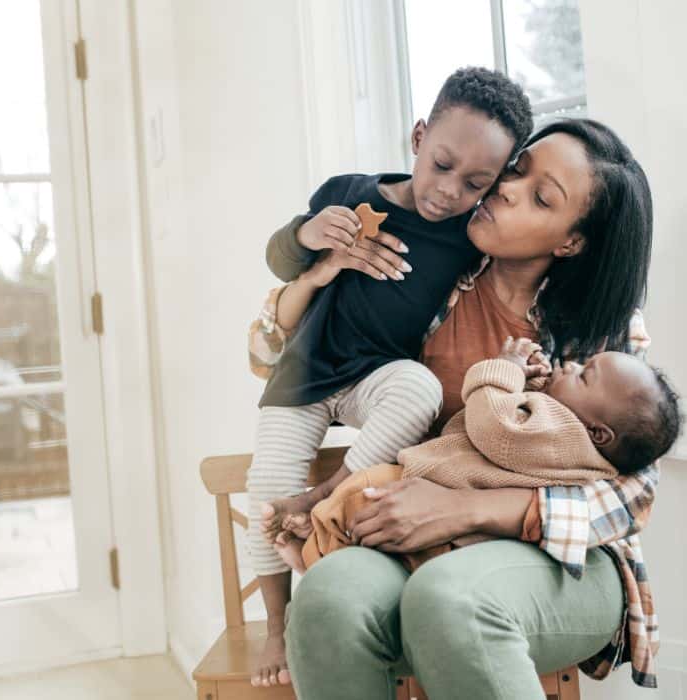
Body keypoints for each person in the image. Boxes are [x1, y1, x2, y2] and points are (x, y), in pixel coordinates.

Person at [257, 119, 661, 695]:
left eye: (542, 197)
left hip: (563, 561)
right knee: (327, 599)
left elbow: (635, 492)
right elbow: (276, 351)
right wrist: (321, 271)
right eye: (517, 170)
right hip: (416, 539)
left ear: (570, 240)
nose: (506, 188)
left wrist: (468, 509)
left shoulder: (605, 327)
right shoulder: (432, 273)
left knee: (450, 600)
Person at [245, 66, 535, 686]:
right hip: (305, 372)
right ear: (418, 136)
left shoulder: (468, 238)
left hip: (378, 376)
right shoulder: (351, 192)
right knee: (265, 488)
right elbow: (278, 257)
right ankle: (276, 624)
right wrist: (308, 235)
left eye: (474, 183)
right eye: (442, 164)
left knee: (420, 390)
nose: (448, 191)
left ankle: (326, 498)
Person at [271, 337, 681, 574]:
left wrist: (503, 370)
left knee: (360, 494)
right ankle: (316, 546)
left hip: (444, 499)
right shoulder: (574, 445)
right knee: (365, 512)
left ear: (598, 432)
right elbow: (521, 442)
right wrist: (533, 391)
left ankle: (312, 554)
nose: (570, 365)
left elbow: (494, 428)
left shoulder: (562, 433)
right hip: (462, 528)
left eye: (585, 374)